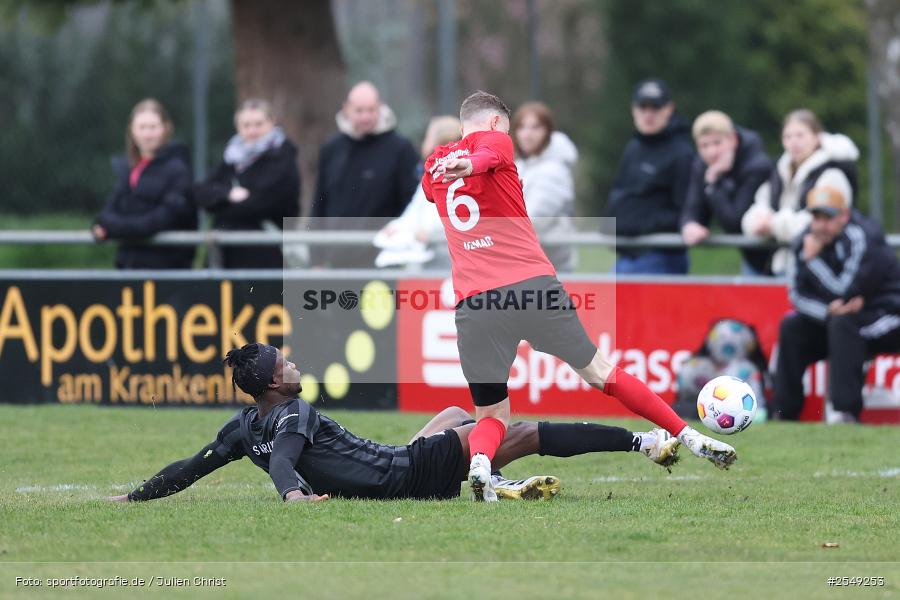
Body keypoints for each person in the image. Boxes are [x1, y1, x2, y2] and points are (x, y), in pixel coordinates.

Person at [423, 90, 735, 502]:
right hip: (530, 286)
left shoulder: (434, 165)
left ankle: (481, 463)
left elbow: (436, 185)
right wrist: (475, 160)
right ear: (498, 123)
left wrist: (461, 162)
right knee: (602, 373)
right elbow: (491, 154)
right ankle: (688, 436)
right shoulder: (497, 141)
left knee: (492, 414)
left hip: (475, 303)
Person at [108, 344, 681, 504]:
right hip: (410, 474)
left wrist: (136, 497)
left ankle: (494, 482)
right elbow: (284, 462)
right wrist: (293, 498)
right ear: (275, 384)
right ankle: (642, 439)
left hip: (395, 461)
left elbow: (193, 467)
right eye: (287, 363)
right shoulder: (294, 414)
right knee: (516, 430)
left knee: (462, 414)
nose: (295, 363)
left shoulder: (243, 426)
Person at [773, 183, 900, 423]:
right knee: (792, 328)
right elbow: (797, 295)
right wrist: (826, 311)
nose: (821, 225)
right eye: (816, 217)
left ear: (844, 215)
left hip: (887, 313)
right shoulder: (804, 241)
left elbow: (844, 289)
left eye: (828, 218)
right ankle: (783, 414)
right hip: (842, 316)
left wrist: (812, 261)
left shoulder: (861, 236)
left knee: (843, 325)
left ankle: (844, 412)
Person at [310, 81, 420, 268]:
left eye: (371, 110)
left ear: (381, 107)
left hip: (384, 259)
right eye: (359, 111)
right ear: (346, 109)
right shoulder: (332, 149)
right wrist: (316, 259)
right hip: (339, 259)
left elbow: (412, 203)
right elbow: (319, 205)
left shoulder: (400, 149)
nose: (365, 117)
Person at [742, 109, 859, 275]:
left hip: (820, 265)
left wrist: (773, 225)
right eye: (788, 137)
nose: (794, 142)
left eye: (800, 135)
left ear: (817, 137)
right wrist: (756, 223)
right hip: (778, 265)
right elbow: (758, 206)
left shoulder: (832, 174)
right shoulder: (778, 172)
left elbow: (822, 222)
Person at [193, 99, 300, 269]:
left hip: (265, 255)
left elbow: (258, 203)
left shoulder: (283, 158)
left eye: (258, 124)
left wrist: (219, 202)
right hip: (226, 256)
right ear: (238, 127)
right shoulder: (232, 158)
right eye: (246, 125)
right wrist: (228, 194)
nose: (252, 130)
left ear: (272, 123)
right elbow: (200, 193)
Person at [93, 98, 196, 269]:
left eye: (153, 127)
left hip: (166, 270)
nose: (147, 134)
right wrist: (102, 225)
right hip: (128, 266)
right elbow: (106, 213)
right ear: (132, 130)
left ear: (165, 129)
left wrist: (112, 228)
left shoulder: (179, 170)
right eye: (142, 127)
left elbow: (159, 221)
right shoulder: (127, 168)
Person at [606, 79, 696, 274]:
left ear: (669, 109)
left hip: (662, 258)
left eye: (655, 107)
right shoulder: (633, 148)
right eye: (642, 107)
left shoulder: (682, 154)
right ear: (633, 110)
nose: (648, 114)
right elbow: (618, 194)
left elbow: (687, 212)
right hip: (626, 256)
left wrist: (639, 223)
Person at [680, 111, 774, 275]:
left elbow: (735, 223)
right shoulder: (702, 165)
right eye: (704, 145)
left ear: (733, 139)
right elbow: (693, 205)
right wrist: (689, 224)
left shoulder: (757, 165)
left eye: (717, 143)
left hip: (775, 256)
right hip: (752, 258)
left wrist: (714, 182)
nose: (711, 152)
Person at [373, 116, 460, 270]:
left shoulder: (458, 178)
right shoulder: (428, 178)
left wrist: (427, 233)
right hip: (426, 262)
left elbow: (450, 218)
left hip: (449, 263)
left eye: (428, 136)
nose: (423, 143)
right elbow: (413, 211)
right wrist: (396, 227)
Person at [512, 102, 577, 272]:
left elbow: (534, 220)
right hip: (523, 265)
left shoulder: (555, 171)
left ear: (548, 131)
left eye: (535, 127)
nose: (527, 134)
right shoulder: (520, 165)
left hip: (550, 269)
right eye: (522, 127)